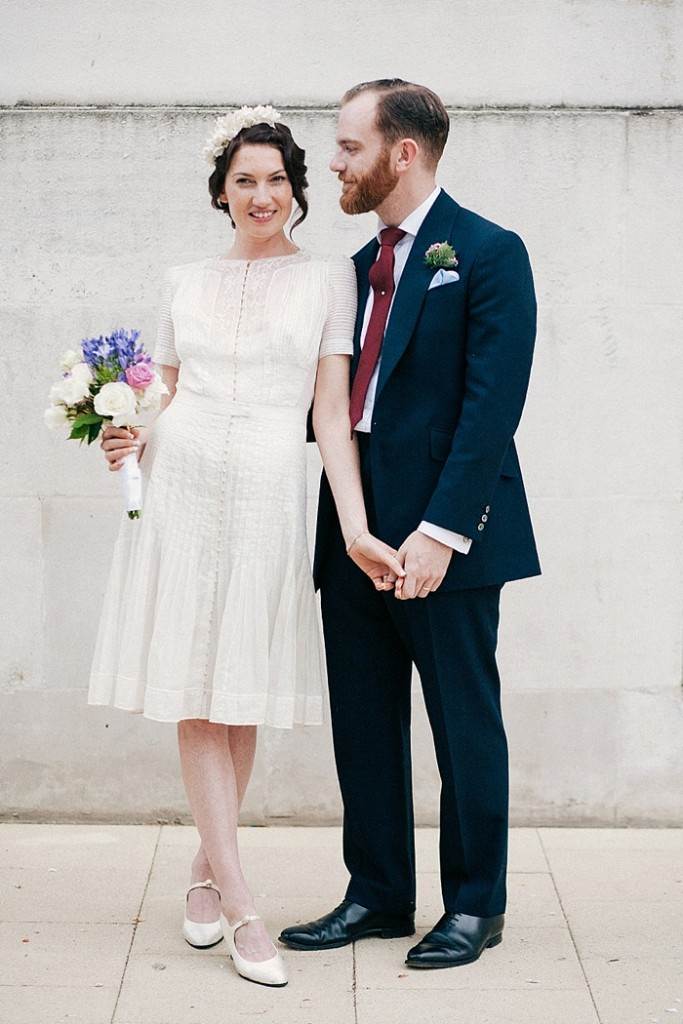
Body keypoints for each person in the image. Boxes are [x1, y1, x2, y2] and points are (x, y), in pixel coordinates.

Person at [87, 105, 404, 988]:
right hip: (184, 491)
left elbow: (333, 423)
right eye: (243, 182)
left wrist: (351, 525)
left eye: (275, 180)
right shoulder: (183, 279)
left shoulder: (329, 281)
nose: (260, 195)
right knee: (196, 688)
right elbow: (165, 393)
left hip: (268, 490)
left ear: (294, 190)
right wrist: (126, 432)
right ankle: (239, 900)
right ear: (220, 193)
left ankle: (201, 863)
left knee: (239, 691)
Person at [279, 80, 541, 969]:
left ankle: (475, 905)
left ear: (402, 153)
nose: (334, 163)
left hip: (448, 541)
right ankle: (378, 895)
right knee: (363, 721)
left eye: (349, 147)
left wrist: (439, 532)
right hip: (352, 534)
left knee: (464, 721)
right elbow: (315, 405)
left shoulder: (489, 252)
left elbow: (489, 410)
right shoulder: (348, 272)